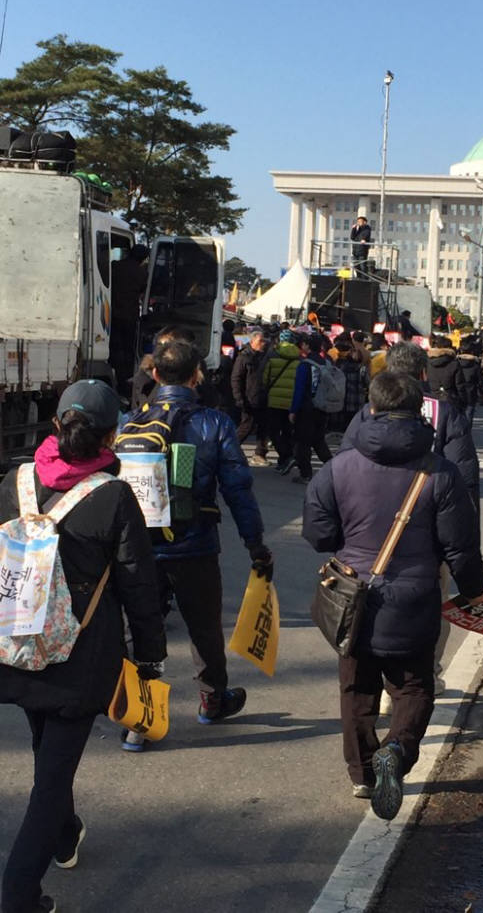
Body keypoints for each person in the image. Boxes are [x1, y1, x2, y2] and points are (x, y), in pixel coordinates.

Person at [0, 380, 166, 913]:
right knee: (51, 777)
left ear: (56, 424)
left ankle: (66, 834)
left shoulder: (15, 481)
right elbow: (139, 582)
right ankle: (17, 894)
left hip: (16, 642)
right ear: (111, 437)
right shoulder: (113, 496)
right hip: (80, 654)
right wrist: (149, 655)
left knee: (46, 753)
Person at [303, 372, 483, 820]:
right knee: (413, 687)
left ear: (371, 407)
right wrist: (473, 589)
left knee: (356, 687)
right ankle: (398, 751)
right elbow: (460, 545)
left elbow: (318, 533)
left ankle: (364, 774)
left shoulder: (339, 466)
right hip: (416, 598)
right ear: (419, 411)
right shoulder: (438, 472)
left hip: (354, 596)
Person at [127, 339, 271, 732]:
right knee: (204, 627)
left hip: (140, 550)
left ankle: (139, 716)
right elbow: (238, 489)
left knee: (143, 628)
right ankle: (211, 700)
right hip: (196, 546)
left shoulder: (130, 422)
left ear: (155, 374)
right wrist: (255, 544)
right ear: (196, 376)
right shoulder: (215, 423)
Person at [289, 334, 333, 485]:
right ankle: (334, 469)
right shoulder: (326, 363)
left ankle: (306, 474)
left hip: (307, 408)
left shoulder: (305, 364)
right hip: (323, 407)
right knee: (318, 440)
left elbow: (299, 389)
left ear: (307, 346)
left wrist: (293, 410)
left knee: (303, 442)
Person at [109, 244, 149, 397]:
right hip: (129, 317)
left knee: (114, 349)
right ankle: (125, 384)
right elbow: (142, 291)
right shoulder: (142, 273)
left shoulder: (115, 266)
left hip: (111, 314)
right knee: (127, 353)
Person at [263, 328, 301, 475]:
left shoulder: (272, 354)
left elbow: (265, 378)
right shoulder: (298, 357)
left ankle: (286, 456)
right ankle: (284, 460)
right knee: (287, 430)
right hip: (290, 400)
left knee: (273, 431)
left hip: (274, 399)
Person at [231, 329, 269, 466]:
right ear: (252, 342)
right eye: (260, 341)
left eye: (264, 341)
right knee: (246, 427)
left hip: (262, 397)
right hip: (249, 399)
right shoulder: (244, 357)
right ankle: (228, 448)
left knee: (263, 428)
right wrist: (239, 398)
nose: (263, 344)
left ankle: (260, 454)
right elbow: (236, 379)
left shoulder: (264, 357)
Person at [426, 338, 467, 409]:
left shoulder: (428, 362)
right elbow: (460, 385)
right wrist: (463, 401)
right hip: (451, 399)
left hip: (432, 398)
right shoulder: (454, 363)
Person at [456, 342, 483, 429]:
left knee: (458, 414)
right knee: (469, 415)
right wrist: (482, 392)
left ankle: (459, 432)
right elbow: (480, 381)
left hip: (458, 392)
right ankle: (467, 433)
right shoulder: (475, 365)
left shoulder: (456, 363)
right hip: (471, 393)